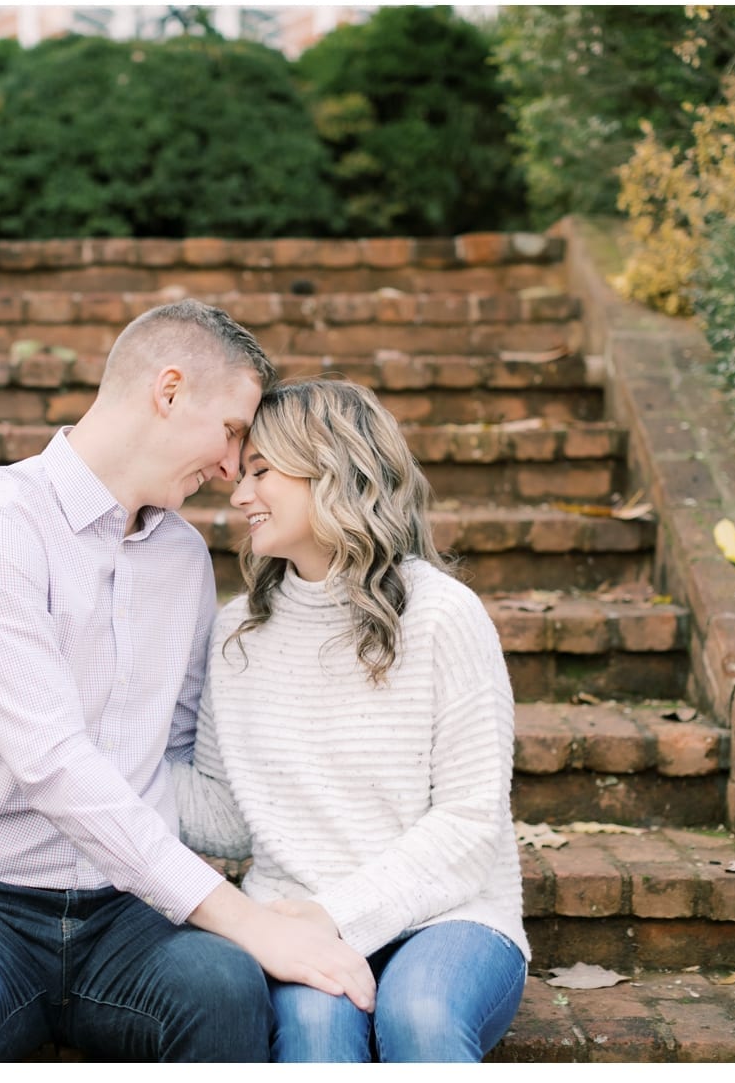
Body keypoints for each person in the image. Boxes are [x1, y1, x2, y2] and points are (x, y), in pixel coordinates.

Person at [0, 301, 377, 1063]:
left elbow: (175, 755)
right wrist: (246, 916)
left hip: (129, 910)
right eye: (233, 431)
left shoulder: (181, 561)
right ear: (168, 391)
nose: (233, 469)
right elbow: (52, 762)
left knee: (222, 987)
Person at [173, 377, 530, 1063]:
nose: (239, 494)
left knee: (420, 1017)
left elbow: (469, 823)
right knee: (316, 1037)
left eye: (260, 472)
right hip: (295, 913)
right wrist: (102, 763)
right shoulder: (238, 634)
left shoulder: (443, 616)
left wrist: (337, 916)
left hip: (452, 918)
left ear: (331, 469)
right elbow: (225, 815)